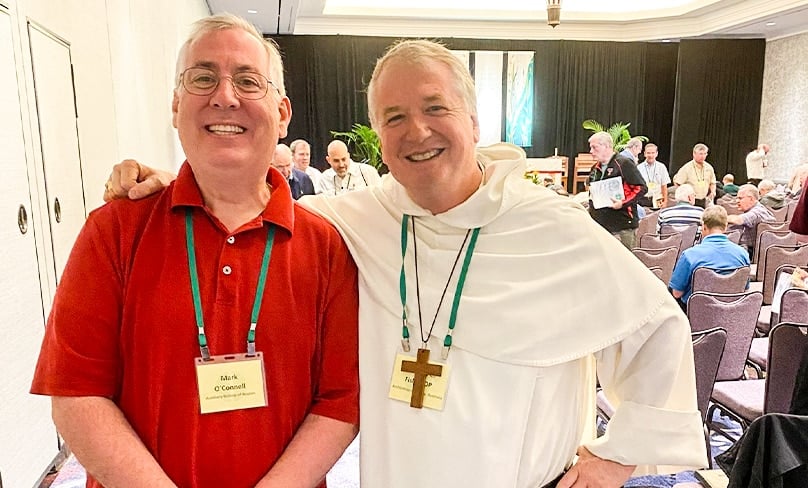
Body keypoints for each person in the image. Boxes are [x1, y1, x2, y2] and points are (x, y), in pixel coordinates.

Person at [106, 39, 707, 488]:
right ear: (378, 137)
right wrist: (174, 183)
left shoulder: (550, 225)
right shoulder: (356, 218)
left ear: (473, 121)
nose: (415, 130)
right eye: (393, 117)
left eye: (434, 108)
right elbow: (255, 207)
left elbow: (658, 327)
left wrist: (613, 458)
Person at [32, 14, 359, 488]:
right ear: (176, 105)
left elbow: (340, 400)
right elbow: (76, 393)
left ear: (283, 113)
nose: (225, 96)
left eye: (248, 80)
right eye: (203, 77)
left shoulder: (326, 245)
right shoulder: (115, 231)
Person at [669, 205, 750, 307]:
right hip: (731, 314)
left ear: (704, 227)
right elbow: (745, 289)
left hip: (697, 315)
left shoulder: (690, 255)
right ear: (725, 227)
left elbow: (677, 293)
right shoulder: (743, 254)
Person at [587, 131, 648, 249]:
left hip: (622, 226)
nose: (591, 152)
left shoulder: (624, 163)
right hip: (600, 225)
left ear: (607, 146)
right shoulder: (595, 169)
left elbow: (641, 187)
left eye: (594, 148)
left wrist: (623, 203)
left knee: (623, 264)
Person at [727, 183, 775, 256]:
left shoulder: (757, 212)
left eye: (740, 198)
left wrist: (718, 218)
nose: (737, 201)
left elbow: (738, 220)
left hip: (749, 253)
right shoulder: (761, 209)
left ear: (751, 199)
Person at [673, 143, 716, 208]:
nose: (703, 156)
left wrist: (713, 192)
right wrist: (683, 196)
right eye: (700, 154)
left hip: (704, 200)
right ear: (694, 154)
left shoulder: (709, 168)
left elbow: (713, 182)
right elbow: (677, 182)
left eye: (705, 154)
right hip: (691, 200)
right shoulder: (686, 168)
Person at [636, 142, 671, 210]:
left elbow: (664, 186)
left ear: (656, 154)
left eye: (653, 153)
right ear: (644, 153)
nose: (651, 155)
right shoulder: (639, 168)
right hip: (643, 200)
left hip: (658, 200)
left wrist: (665, 201)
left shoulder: (661, 167)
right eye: (648, 153)